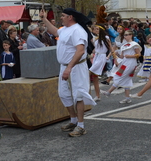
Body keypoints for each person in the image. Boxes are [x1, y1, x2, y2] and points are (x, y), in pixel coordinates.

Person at [39, 8, 96, 137]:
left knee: (79, 95)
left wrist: (69, 67)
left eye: (63, 16)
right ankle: (73, 120)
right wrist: (44, 19)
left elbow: (80, 51)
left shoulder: (78, 30)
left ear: (70, 17)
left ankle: (81, 126)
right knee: (64, 94)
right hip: (64, 67)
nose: (61, 17)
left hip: (76, 67)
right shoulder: (65, 29)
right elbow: (55, 31)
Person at [101, 30, 141, 103]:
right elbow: (122, 57)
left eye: (127, 35)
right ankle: (127, 98)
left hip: (131, 63)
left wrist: (130, 56)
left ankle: (109, 92)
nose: (125, 36)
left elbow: (139, 54)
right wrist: (116, 55)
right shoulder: (123, 46)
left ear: (131, 35)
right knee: (126, 79)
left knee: (119, 76)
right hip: (124, 63)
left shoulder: (134, 44)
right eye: (125, 35)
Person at [89, 25, 112, 101]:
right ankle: (97, 96)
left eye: (97, 29)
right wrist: (92, 53)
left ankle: (86, 94)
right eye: (95, 29)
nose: (95, 30)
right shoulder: (96, 38)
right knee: (95, 77)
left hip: (101, 57)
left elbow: (111, 48)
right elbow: (96, 48)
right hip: (96, 56)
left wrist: (112, 57)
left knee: (88, 73)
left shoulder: (106, 38)